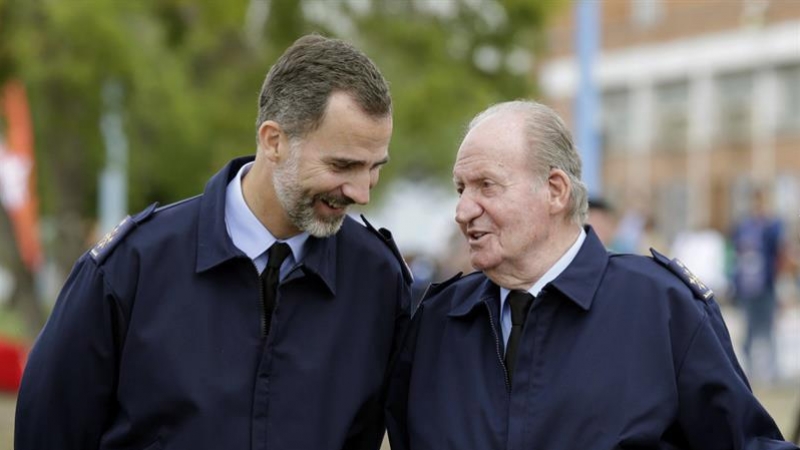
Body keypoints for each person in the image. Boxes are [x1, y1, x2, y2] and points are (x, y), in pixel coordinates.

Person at [16, 34, 411, 450]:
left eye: (373, 168)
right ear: (273, 140)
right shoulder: (130, 267)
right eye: (342, 165)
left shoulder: (379, 283)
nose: (361, 192)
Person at [386, 100, 797, 449]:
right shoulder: (438, 321)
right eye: (461, 189)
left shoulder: (661, 308)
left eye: (486, 186)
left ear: (555, 191)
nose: (463, 211)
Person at [730, 186, 785, 383]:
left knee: (768, 330)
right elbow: (735, 252)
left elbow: (778, 248)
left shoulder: (772, 225)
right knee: (749, 333)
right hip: (747, 287)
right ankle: (750, 373)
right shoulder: (744, 227)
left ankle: (772, 373)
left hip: (765, 286)